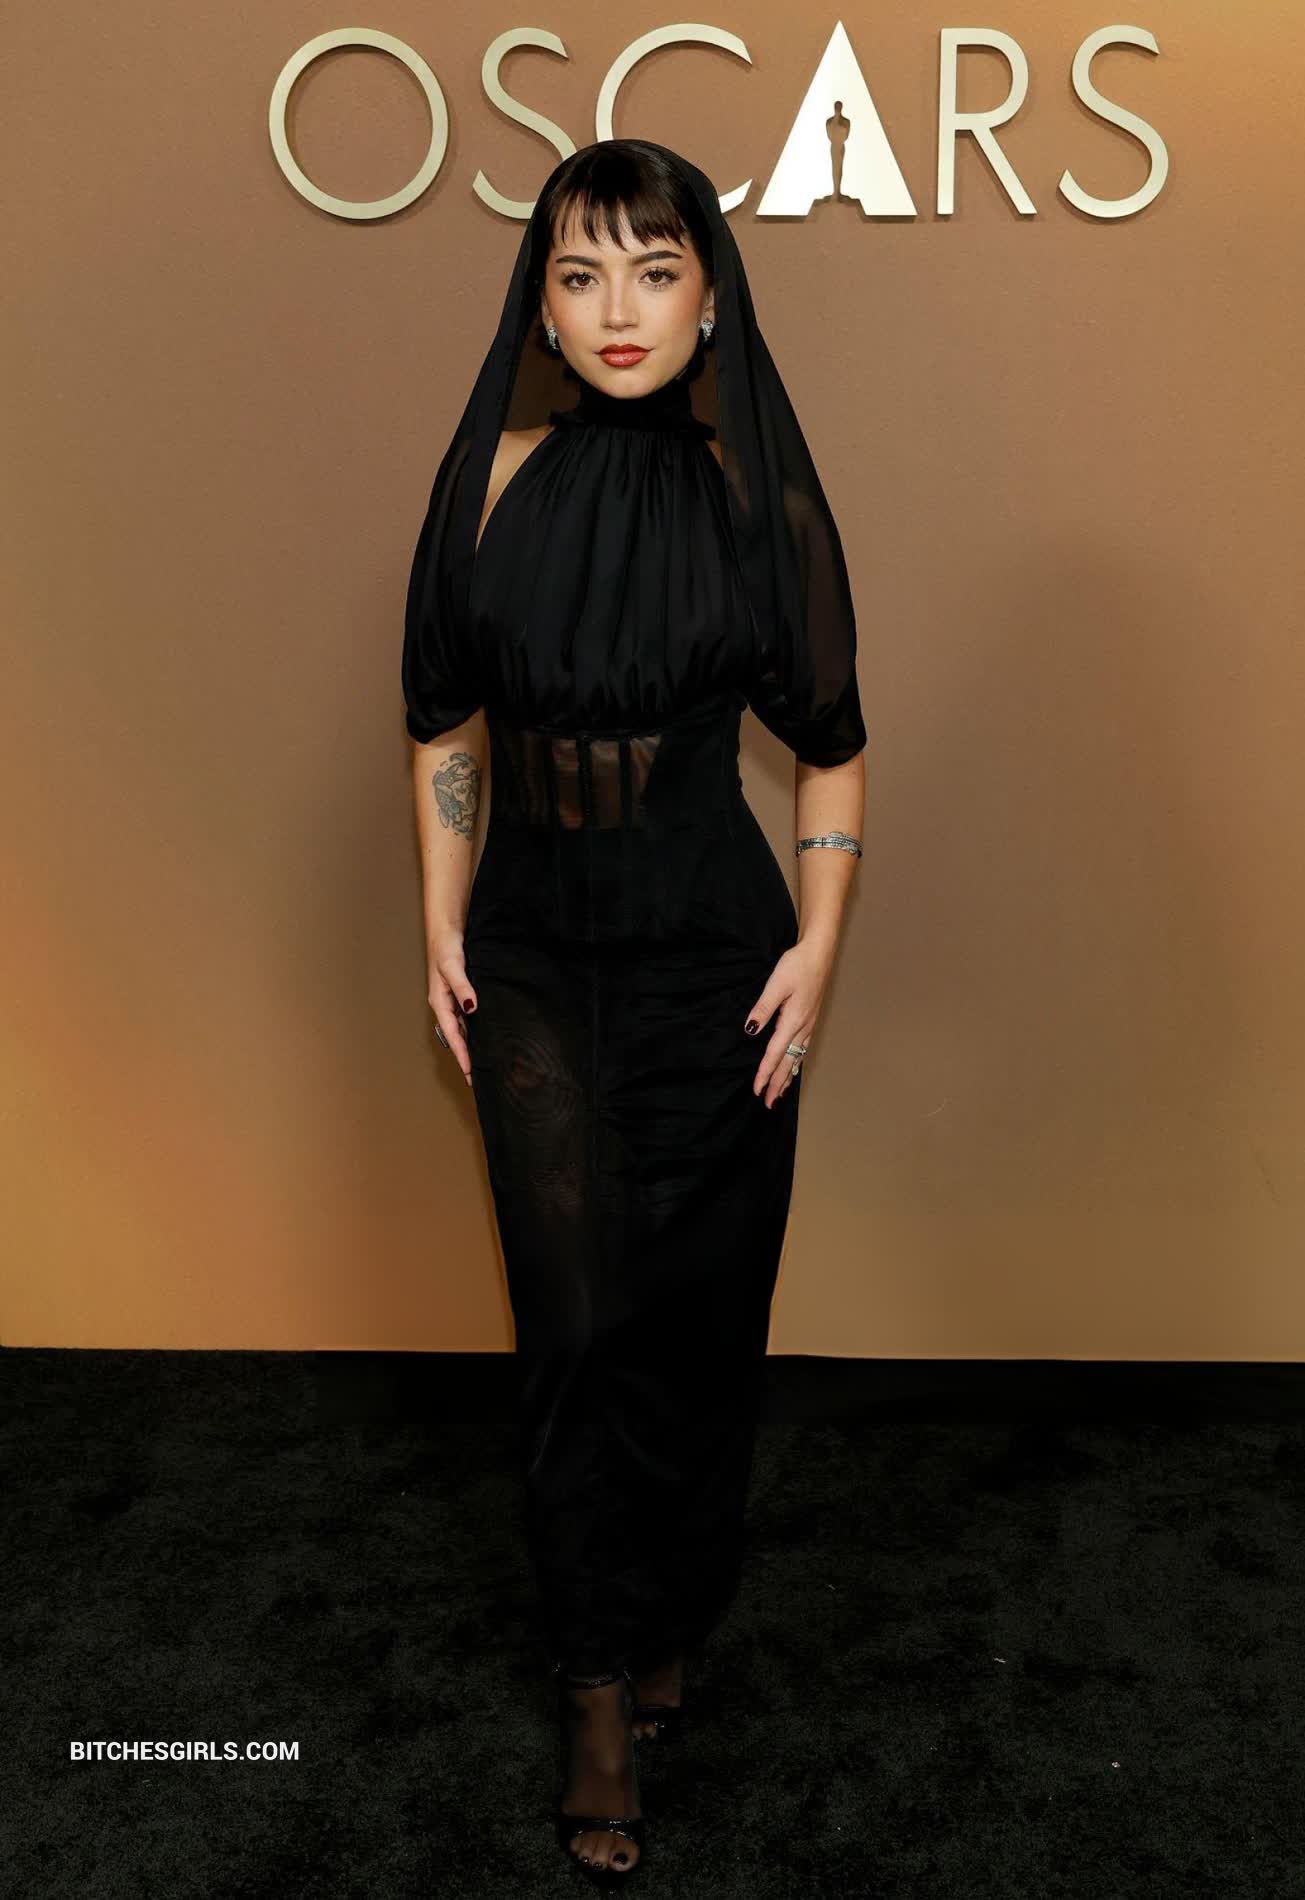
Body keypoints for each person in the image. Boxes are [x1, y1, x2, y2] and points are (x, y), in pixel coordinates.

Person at [402, 137, 867, 1882]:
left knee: (694, 1316)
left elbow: (832, 747)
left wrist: (817, 947)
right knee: (573, 1322)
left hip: (712, 954)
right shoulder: (486, 483)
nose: (618, 308)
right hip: (532, 953)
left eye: (654, 272)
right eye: (581, 272)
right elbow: (440, 723)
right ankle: (594, 1687)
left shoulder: (756, 501)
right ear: (537, 299)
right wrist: (437, 919)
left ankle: (668, 1612)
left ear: (708, 299)